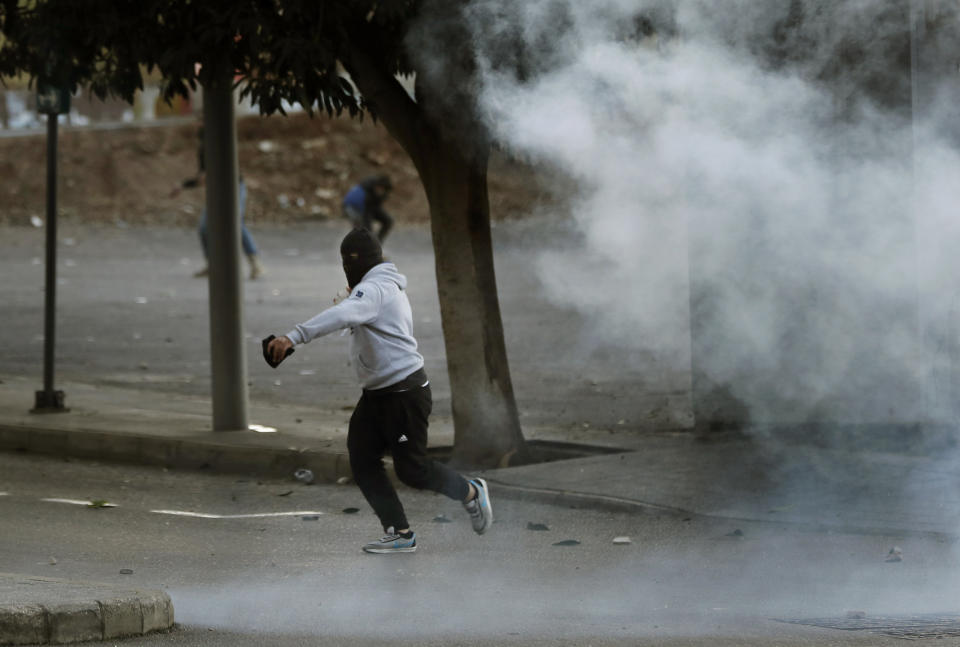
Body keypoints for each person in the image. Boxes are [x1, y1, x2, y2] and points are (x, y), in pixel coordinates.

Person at [267, 228, 492, 553]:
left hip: (403, 395)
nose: (347, 270)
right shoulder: (374, 287)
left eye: (348, 263)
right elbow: (353, 313)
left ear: (355, 263)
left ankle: (471, 492)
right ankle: (399, 533)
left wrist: (294, 336)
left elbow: (343, 313)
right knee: (362, 458)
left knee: (412, 470)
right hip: (377, 396)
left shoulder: (375, 289)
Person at [172, 127, 265, 279]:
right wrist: (183, 185)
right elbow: (202, 177)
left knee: (235, 223)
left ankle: (255, 263)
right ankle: (212, 265)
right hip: (216, 190)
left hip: (234, 187)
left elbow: (221, 173)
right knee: (204, 228)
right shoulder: (203, 152)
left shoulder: (224, 148)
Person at [342, 175, 394, 243]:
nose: (379, 191)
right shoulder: (367, 192)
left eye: (381, 190)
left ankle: (376, 245)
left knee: (388, 221)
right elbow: (366, 215)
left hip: (368, 208)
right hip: (354, 208)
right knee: (363, 229)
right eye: (378, 188)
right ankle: (362, 247)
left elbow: (376, 208)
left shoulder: (382, 193)